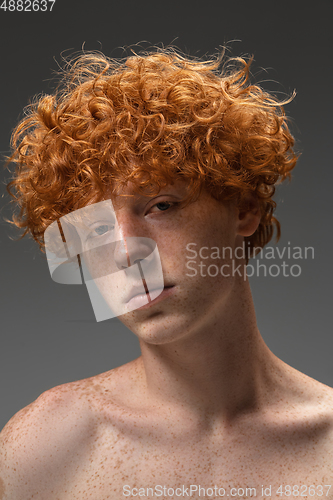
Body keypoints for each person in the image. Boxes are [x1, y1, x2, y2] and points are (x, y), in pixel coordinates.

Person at [1, 47, 332, 500]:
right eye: (95, 229)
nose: (124, 253)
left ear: (244, 210)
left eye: (160, 206)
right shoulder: (46, 445)